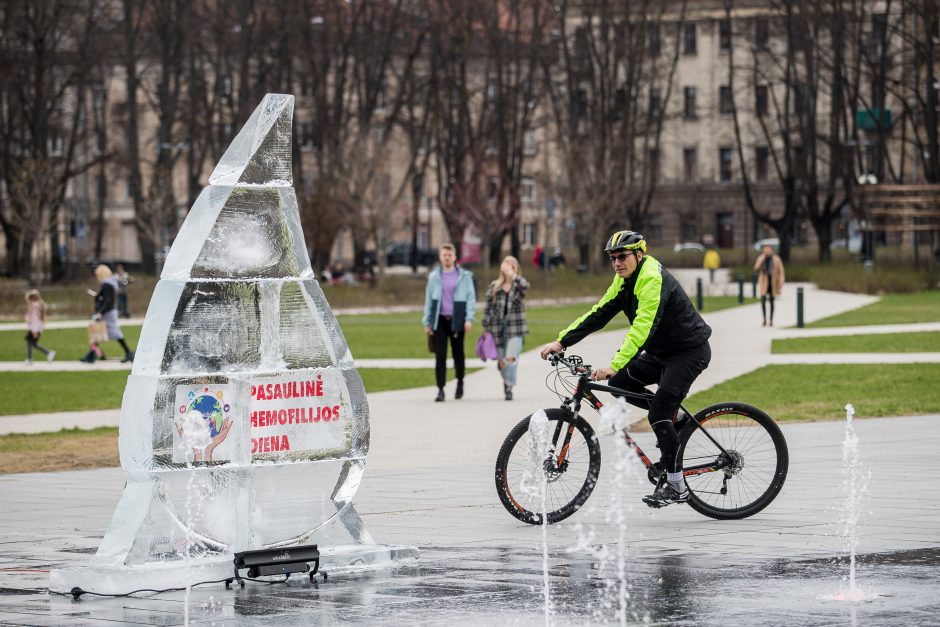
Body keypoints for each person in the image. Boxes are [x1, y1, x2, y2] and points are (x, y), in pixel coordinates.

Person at [539, 230, 712, 508]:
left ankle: (677, 485)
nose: (617, 263)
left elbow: (643, 327)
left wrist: (614, 365)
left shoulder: (652, 278)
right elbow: (599, 313)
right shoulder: (623, 280)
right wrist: (562, 341)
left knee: (657, 412)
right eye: (613, 258)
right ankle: (677, 419)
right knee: (620, 384)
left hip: (688, 352)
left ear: (639, 255)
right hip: (660, 353)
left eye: (622, 257)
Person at [423, 243, 476, 402]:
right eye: (444, 255)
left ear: (454, 257)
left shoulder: (464, 276)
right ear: (440, 257)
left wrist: (469, 319)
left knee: (458, 353)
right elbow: (428, 300)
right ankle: (440, 389)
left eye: (449, 255)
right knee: (440, 355)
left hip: (457, 319)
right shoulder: (434, 277)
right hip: (440, 320)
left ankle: (460, 381)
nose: (447, 257)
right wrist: (427, 322)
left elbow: (471, 298)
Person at [482, 256, 529, 401]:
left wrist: (513, 275)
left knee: (511, 358)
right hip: (497, 328)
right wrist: (485, 327)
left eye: (511, 265)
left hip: (515, 327)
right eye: (506, 264)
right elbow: (488, 309)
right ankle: (506, 381)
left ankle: (509, 386)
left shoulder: (519, 285)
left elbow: (525, 286)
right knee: (501, 361)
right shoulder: (494, 286)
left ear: (515, 268)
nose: (508, 267)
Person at [82, 264, 135, 363]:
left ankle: (129, 353)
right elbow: (107, 299)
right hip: (109, 311)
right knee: (100, 332)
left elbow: (108, 301)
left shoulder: (106, 285)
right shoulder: (110, 284)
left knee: (113, 332)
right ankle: (92, 354)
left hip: (108, 312)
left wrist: (100, 312)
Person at [754, 243, 785, 326]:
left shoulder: (776, 259)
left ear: (771, 250)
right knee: (763, 300)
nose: (767, 252)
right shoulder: (761, 258)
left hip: (773, 282)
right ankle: (764, 319)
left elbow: (781, 271)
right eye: (765, 250)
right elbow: (756, 268)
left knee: (772, 301)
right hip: (764, 282)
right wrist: (762, 259)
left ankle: (771, 320)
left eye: (768, 250)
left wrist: (781, 281)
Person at [23, 290, 55, 364]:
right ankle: (48, 353)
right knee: (32, 343)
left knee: (31, 343)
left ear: (31, 299)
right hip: (36, 328)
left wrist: (34, 331)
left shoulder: (34, 307)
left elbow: (35, 320)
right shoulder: (38, 305)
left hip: (35, 328)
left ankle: (30, 359)